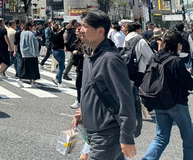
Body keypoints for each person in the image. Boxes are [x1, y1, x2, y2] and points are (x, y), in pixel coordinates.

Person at [74, 10, 137, 160]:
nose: (80, 30)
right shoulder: (90, 55)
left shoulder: (110, 59)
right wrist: (83, 111)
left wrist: (126, 136)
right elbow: (91, 90)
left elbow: (126, 99)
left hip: (107, 133)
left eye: (85, 26)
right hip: (95, 130)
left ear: (100, 31)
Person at [142, 31, 193, 160]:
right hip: (177, 103)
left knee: (161, 138)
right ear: (177, 45)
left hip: (158, 102)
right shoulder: (176, 61)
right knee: (189, 139)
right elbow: (189, 84)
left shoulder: (155, 57)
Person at [122, 22, 154, 87]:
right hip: (141, 69)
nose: (141, 31)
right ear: (136, 30)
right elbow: (150, 56)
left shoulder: (126, 39)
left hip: (129, 67)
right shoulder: (140, 40)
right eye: (140, 29)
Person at [18, 22, 40, 87]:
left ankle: (29, 81)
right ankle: (32, 82)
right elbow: (32, 44)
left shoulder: (22, 33)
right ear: (30, 27)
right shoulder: (30, 34)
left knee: (25, 68)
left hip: (25, 53)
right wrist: (34, 53)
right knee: (33, 69)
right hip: (31, 53)